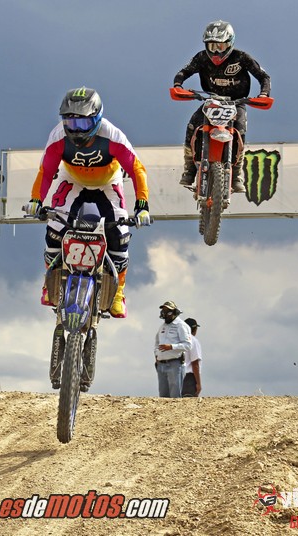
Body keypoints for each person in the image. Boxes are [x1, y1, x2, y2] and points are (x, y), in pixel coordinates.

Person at [24, 87, 151, 318]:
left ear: (97, 118)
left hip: (108, 183)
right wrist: (36, 200)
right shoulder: (57, 137)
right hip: (72, 181)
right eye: (70, 123)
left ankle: (118, 294)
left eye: (82, 124)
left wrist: (142, 205)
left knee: (120, 236)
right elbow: (46, 172)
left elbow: (136, 169)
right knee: (54, 229)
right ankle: (49, 284)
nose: (76, 130)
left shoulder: (112, 135)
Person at [173, 20, 271, 193]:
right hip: (212, 100)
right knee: (192, 125)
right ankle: (189, 170)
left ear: (230, 43)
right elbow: (183, 72)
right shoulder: (201, 57)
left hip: (237, 102)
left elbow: (263, 76)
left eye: (220, 46)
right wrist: (178, 85)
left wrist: (263, 94)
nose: (216, 52)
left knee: (240, 130)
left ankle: (237, 175)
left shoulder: (242, 58)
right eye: (211, 46)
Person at [154, 301, 192, 398]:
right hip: (161, 365)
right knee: (163, 397)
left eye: (168, 310)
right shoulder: (162, 326)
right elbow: (157, 343)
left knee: (175, 397)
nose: (165, 313)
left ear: (174, 312)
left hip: (175, 364)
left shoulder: (181, 325)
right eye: (163, 310)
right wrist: (156, 355)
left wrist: (171, 346)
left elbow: (188, 345)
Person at [181, 318, 203, 397]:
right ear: (195, 329)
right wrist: (198, 383)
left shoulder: (178, 340)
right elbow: (195, 364)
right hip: (189, 378)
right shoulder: (193, 341)